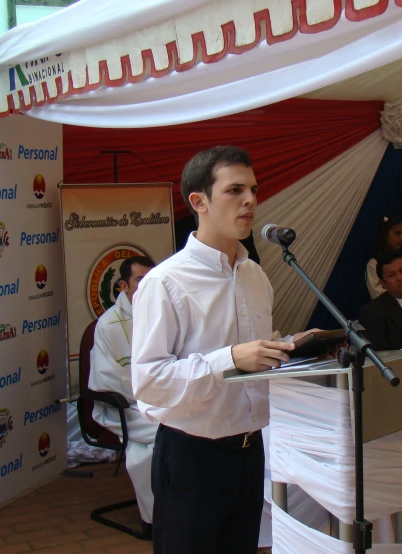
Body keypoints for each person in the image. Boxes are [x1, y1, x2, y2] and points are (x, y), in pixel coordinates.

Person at [131, 146, 305, 554]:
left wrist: (291, 350)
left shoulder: (255, 275)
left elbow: (257, 350)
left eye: (254, 190)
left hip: (249, 451)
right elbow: (149, 381)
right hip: (191, 456)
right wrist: (229, 360)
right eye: (235, 190)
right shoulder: (165, 283)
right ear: (199, 201)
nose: (250, 201)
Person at [88, 255, 157, 535]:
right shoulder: (108, 324)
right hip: (125, 406)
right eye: (140, 280)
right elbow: (107, 377)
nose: (146, 286)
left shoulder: (161, 312)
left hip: (162, 399)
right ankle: (155, 518)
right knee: (164, 438)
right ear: (123, 286)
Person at [366, 216, 402, 299]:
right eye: (397, 233)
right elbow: (377, 295)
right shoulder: (374, 264)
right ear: (385, 234)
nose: (401, 238)